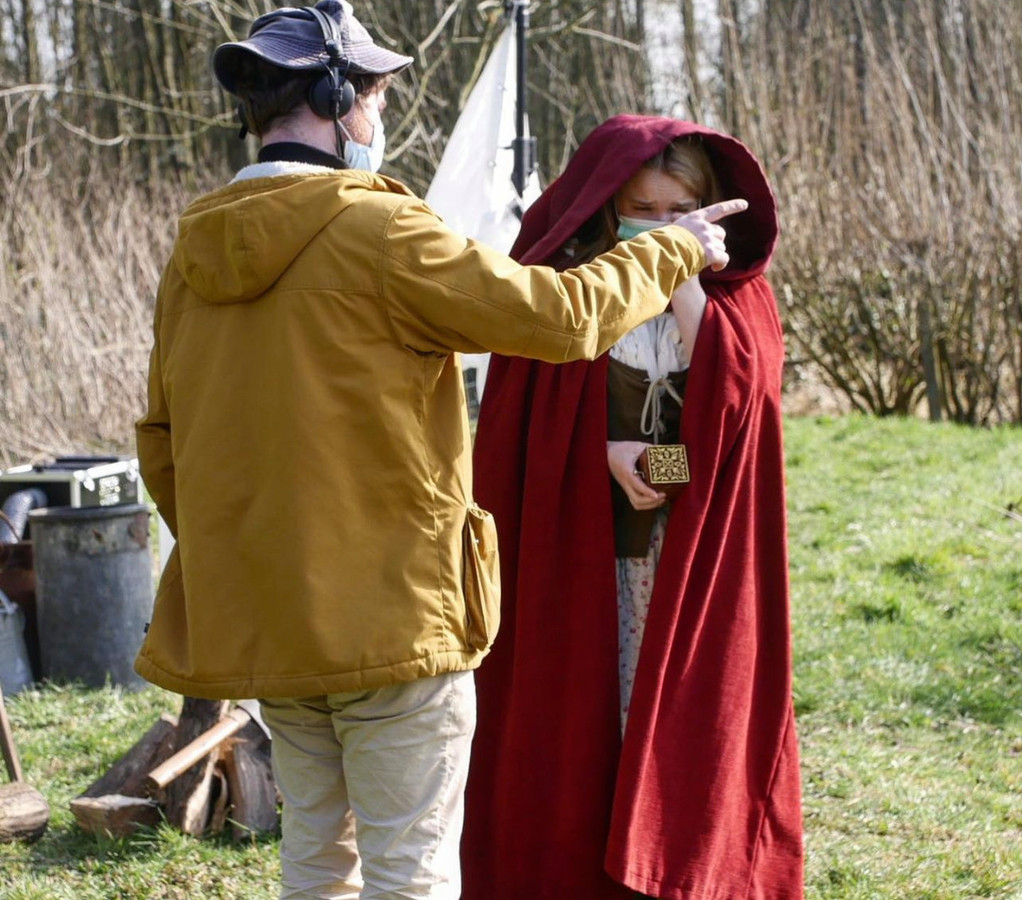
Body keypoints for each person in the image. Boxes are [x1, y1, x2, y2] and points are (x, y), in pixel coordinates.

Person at [133, 5, 746, 898]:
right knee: (408, 869)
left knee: (314, 855)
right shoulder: (382, 231)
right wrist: (668, 252)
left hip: (271, 616)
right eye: (375, 99)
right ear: (340, 101)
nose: (378, 122)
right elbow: (558, 318)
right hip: (393, 620)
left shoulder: (194, 251)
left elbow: (162, 443)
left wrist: (252, 558)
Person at [463, 115, 803, 900]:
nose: (658, 225)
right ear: (605, 206)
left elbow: (734, 426)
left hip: (684, 563)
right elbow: (518, 446)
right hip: (578, 559)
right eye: (641, 211)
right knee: (583, 728)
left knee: (679, 731)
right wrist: (602, 459)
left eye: (677, 209)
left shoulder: (738, 305)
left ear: (710, 207)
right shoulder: (559, 294)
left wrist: (678, 272)